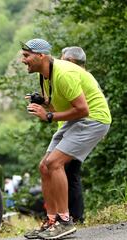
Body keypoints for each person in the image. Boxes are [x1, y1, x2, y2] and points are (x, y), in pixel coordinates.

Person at [20, 38, 111, 240]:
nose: (22, 60)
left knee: (54, 163)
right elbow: (57, 106)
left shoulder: (64, 73)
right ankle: (51, 220)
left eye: (26, 56)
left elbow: (83, 109)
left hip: (93, 119)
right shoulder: (45, 76)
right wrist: (43, 103)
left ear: (41, 55)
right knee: (44, 166)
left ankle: (65, 221)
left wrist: (49, 116)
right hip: (77, 119)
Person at [60, 46, 88, 223]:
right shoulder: (83, 76)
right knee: (69, 171)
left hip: (80, 129)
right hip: (74, 129)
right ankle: (73, 214)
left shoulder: (75, 76)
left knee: (70, 171)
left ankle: (75, 216)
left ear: (70, 61)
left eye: (62, 59)